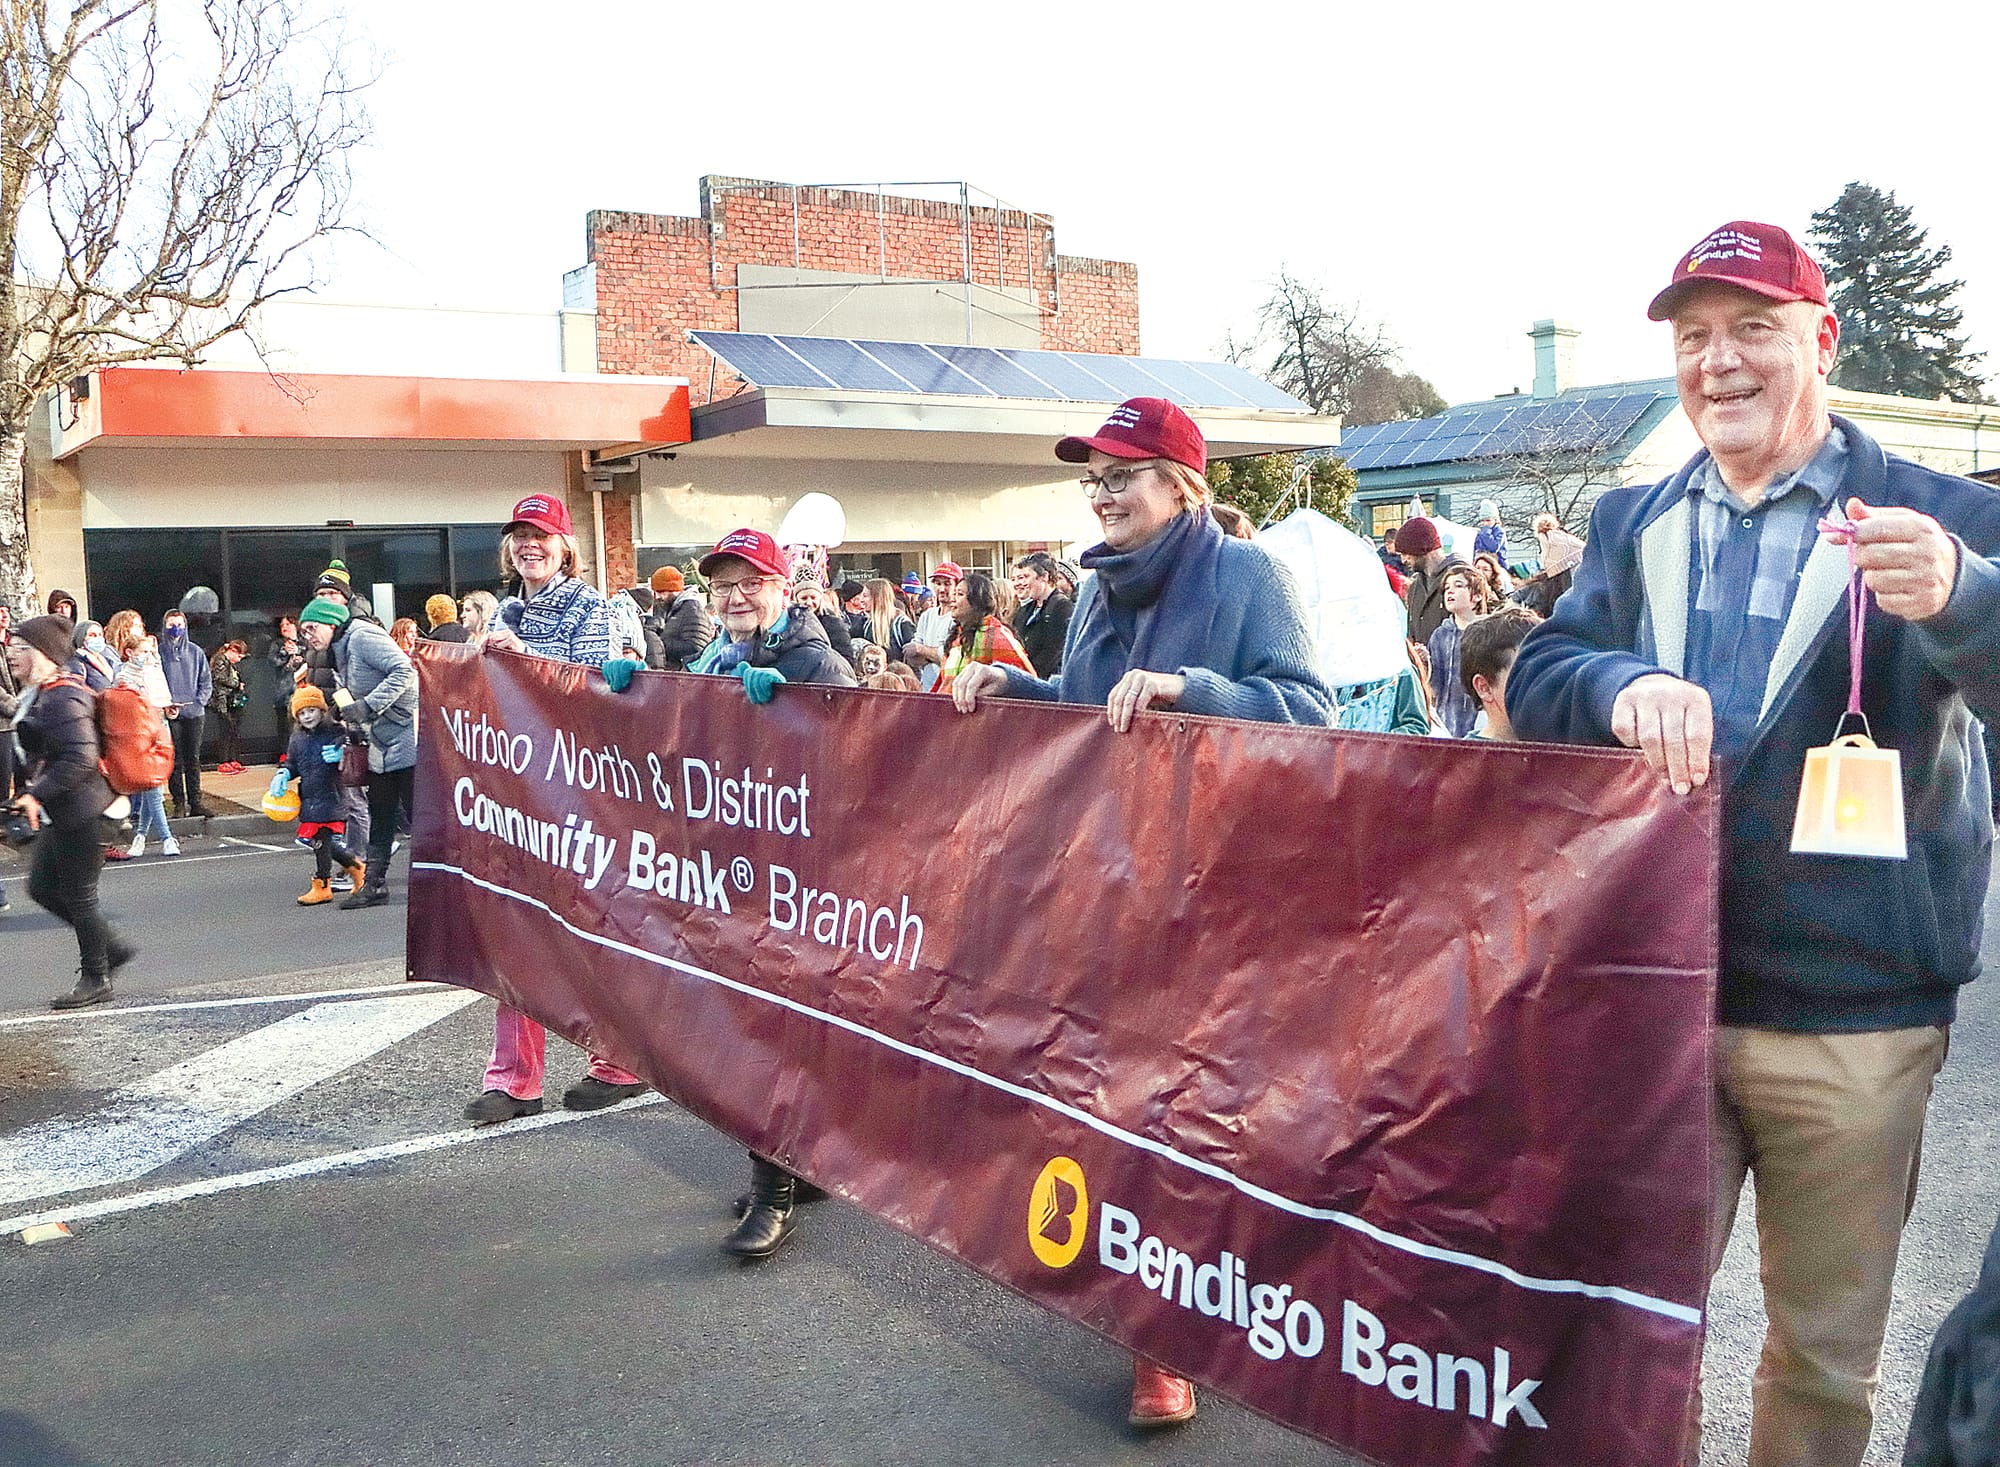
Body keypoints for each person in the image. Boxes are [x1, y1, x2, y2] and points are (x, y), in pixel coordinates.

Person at [1506, 219, 2000, 1467]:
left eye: (1751, 331)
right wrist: (1614, 682)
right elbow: (1547, 666)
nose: (1716, 363)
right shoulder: (1631, 517)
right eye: (1692, 339)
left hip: (1854, 1016)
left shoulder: (1940, 512)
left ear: (1818, 341)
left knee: (1821, 1357)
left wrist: (1961, 594)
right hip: (1655, 994)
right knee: (1629, 1330)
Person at [949, 397, 1332, 1431]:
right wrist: (1012, 694)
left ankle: (1196, 1321)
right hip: (1104, 884)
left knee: (1189, 1114)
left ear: (1182, 485)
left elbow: (1311, 716)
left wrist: (1193, 691)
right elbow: (1089, 715)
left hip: (1214, 892)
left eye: (1125, 473)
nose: (1104, 491)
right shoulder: (1090, 590)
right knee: (1113, 1101)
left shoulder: (1246, 575)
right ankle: (1152, 1319)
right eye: (1094, 477)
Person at [682, 527, 857, 1260]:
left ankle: (775, 1189)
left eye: (751, 581)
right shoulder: (719, 657)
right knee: (771, 1021)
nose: (735, 596)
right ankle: (800, 1162)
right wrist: (632, 695)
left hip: (798, 874)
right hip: (743, 865)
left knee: (766, 1025)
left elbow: (855, 732)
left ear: (784, 588)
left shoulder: (812, 656)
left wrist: (796, 705)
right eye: (722, 585)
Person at [462, 491, 649, 1125]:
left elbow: (591, 695)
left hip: (575, 795)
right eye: (519, 534)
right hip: (516, 792)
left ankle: (618, 1062)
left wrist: (523, 663)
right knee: (516, 928)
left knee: (587, 931)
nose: (528, 544)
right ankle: (514, 1078)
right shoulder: (509, 609)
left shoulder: (587, 608)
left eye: (541, 533)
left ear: (565, 544)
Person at [7, 615, 136, 1008]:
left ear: (43, 654)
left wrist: (36, 794)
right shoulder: (40, 694)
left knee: (80, 898)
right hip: (65, 812)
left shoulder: (63, 697)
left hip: (88, 811)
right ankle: (109, 950)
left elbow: (81, 757)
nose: (11, 654)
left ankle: (96, 976)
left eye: (20, 648)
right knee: (42, 888)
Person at [298, 594, 415, 911]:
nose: (308, 636)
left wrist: (367, 706)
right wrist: (346, 718)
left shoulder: (363, 636)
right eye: (304, 631)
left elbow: (406, 673)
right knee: (381, 814)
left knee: (419, 816)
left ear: (331, 622)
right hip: (380, 742)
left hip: (408, 736)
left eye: (312, 628)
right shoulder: (338, 651)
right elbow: (351, 693)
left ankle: (444, 883)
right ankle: (374, 885)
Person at [274, 685, 366, 905]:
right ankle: (357, 868)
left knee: (321, 841)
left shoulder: (335, 731)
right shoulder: (297, 738)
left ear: (322, 710)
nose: (307, 716)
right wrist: (284, 773)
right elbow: (293, 763)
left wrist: (342, 752)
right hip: (310, 797)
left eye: (311, 711)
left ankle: (323, 884)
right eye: (302, 713)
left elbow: (356, 739)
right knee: (320, 842)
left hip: (332, 795)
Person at [115, 632, 180, 857]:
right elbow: (125, 708)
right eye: (143, 652)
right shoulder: (124, 676)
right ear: (130, 653)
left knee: (152, 788)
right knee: (153, 789)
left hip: (159, 731)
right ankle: (167, 837)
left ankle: (140, 837)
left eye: (150, 652)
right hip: (139, 736)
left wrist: (170, 709)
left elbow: (163, 702)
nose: (148, 656)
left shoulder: (154, 673)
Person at [933, 571, 1032, 694]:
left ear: (976, 600)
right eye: (954, 593)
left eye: (960, 594)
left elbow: (1026, 682)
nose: (952, 599)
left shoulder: (998, 636)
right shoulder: (956, 638)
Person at [1425, 563, 1492, 738]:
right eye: (1447, 587)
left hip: (1479, 722)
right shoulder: (1439, 635)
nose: (1450, 591)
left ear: (1477, 596)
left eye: (1459, 586)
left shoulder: (1489, 634)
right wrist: (1425, 664)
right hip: (1445, 723)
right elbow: (1433, 687)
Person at [157, 607, 211, 818]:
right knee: (174, 760)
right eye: (171, 625)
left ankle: (195, 802)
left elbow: (205, 681)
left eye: (179, 625)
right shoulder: (159, 653)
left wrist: (199, 703)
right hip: (170, 714)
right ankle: (178, 802)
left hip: (194, 714)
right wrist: (164, 704)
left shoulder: (195, 652)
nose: (175, 629)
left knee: (193, 759)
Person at [1459, 606, 1539, 741]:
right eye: (1527, 675)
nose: (1544, 683)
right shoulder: (1463, 759)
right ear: (1484, 688)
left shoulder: (1568, 748)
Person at [1009, 553, 1073, 678]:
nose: (1024, 583)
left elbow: (1053, 655)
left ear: (1044, 576)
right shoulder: (1024, 611)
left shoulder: (1063, 608)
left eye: (1027, 576)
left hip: (1044, 685)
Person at [1393, 516, 1457, 644]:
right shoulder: (1414, 588)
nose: (1403, 560)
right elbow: (1412, 635)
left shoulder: (1460, 581)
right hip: (1423, 663)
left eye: (1406, 553)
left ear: (1421, 548)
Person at [902, 562, 962, 691]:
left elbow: (953, 657)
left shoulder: (960, 617)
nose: (941, 589)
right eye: (938, 583)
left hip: (951, 690)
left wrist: (922, 650)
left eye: (947, 584)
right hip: (928, 689)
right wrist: (934, 654)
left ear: (958, 586)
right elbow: (912, 656)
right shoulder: (927, 615)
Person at [647, 566, 713, 671]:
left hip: (685, 675)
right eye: (656, 592)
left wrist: (658, 643)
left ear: (674, 589)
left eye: (662, 592)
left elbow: (697, 648)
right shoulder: (672, 608)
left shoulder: (692, 609)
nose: (658, 597)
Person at [208, 638, 250, 773]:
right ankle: (223, 760)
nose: (238, 659)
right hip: (222, 700)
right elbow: (219, 677)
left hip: (230, 700)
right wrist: (237, 684)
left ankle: (233, 758)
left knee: (233, 730)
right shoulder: (220, 660)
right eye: (238, 656)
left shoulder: (231, 664)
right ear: (232, 651)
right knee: (225, 730)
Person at [861, 578, 913, 667]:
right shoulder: (866, 625)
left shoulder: (901, 624)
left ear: (877, 598)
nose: (861, 600)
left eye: (865, 596)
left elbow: (913, 659)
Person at [67, 620, 120, 690]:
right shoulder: (76, 663)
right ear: (81, 638)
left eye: (100, 635)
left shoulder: (107, 661)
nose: (98, 638)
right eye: (92, 635)